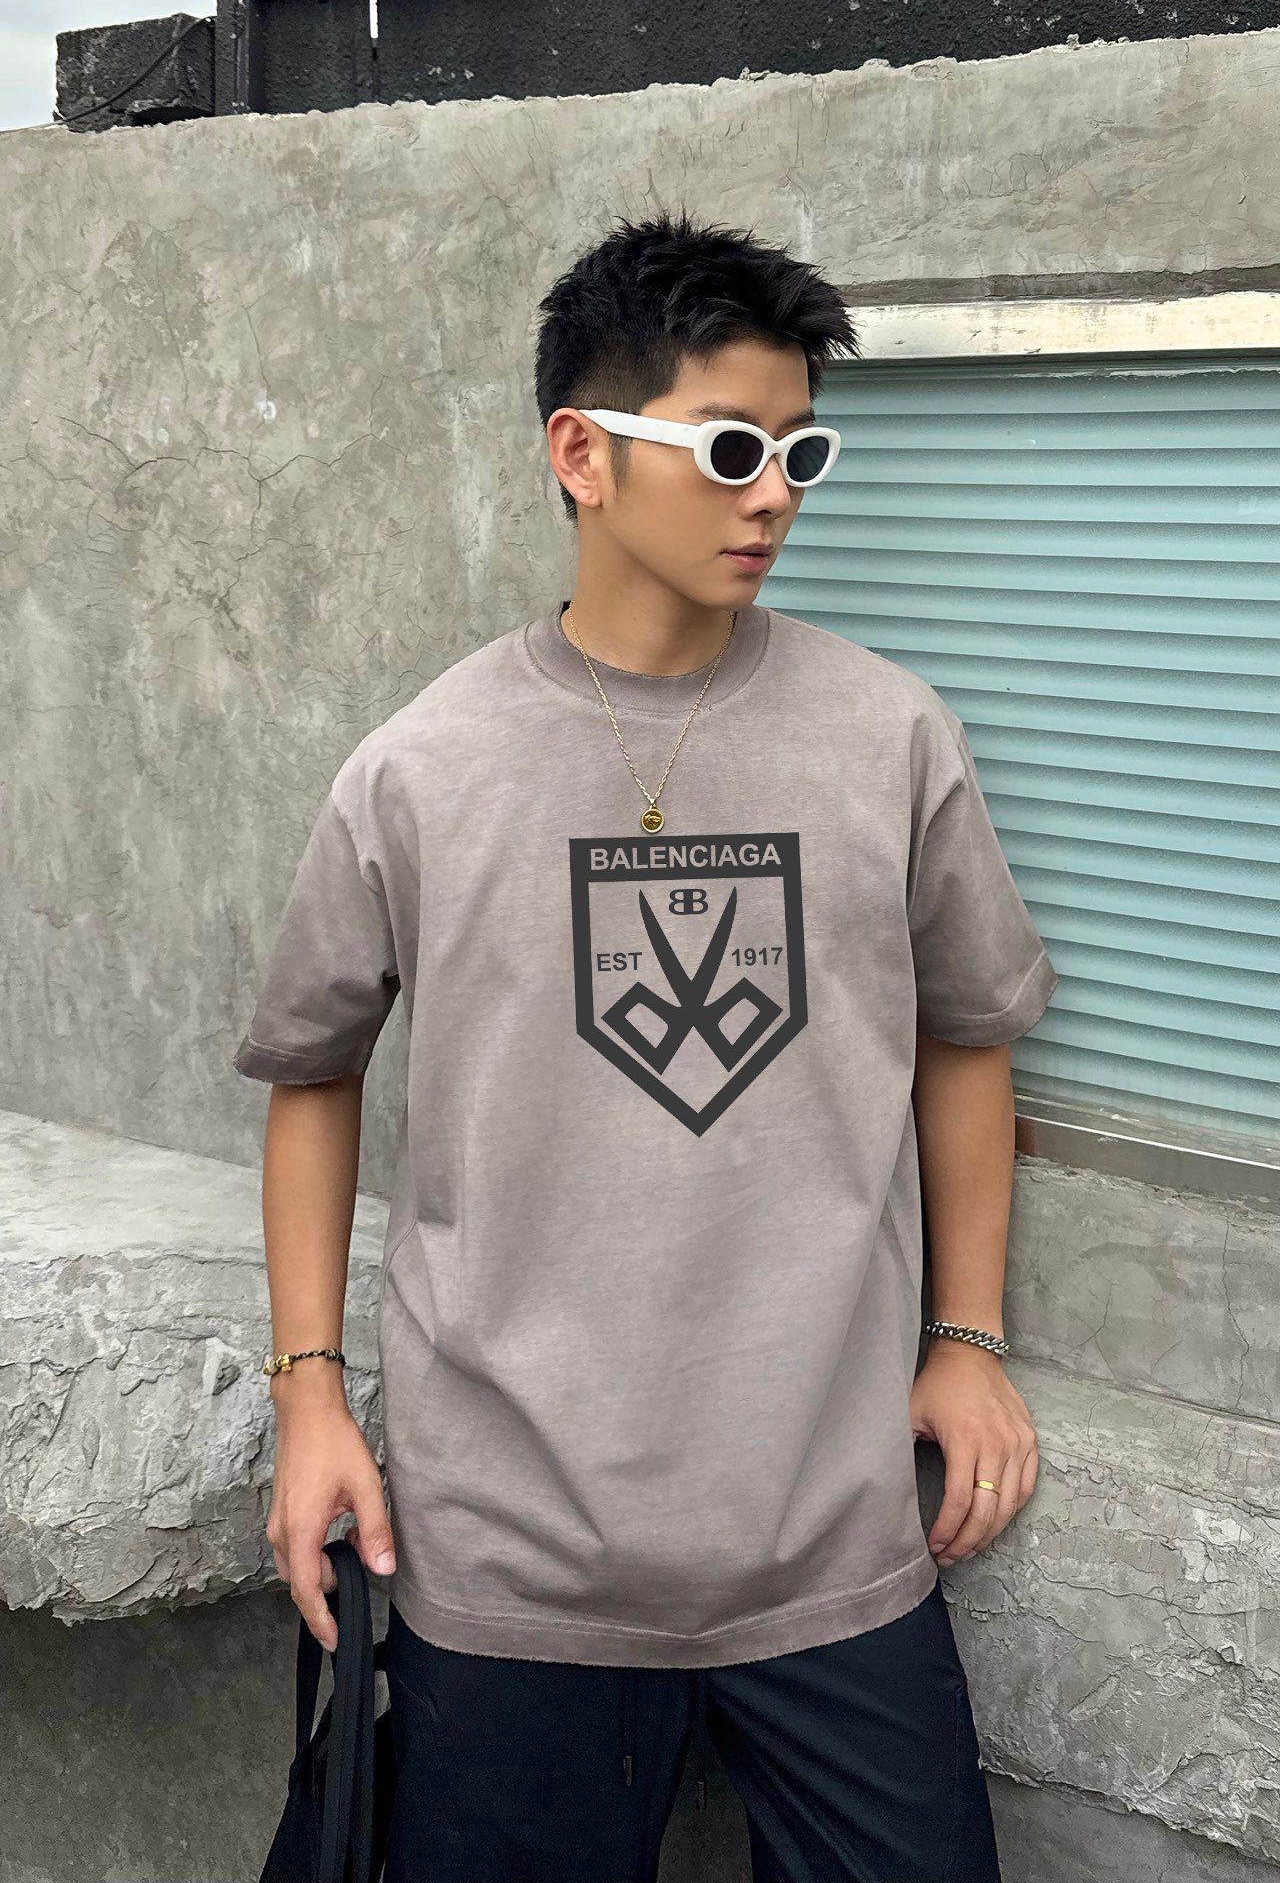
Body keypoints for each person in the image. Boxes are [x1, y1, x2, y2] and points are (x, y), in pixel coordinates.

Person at [234, 206, 1059, 1882]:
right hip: (510, 1560)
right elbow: (314, 1072)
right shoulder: (423, 769)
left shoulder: (888, 736)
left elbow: (966, 1036)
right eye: (732, 447)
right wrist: (309, 1395)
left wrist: (967, 1333)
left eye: (802, 451)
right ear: (582, 454)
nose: (777, 495)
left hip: (830, 1543)